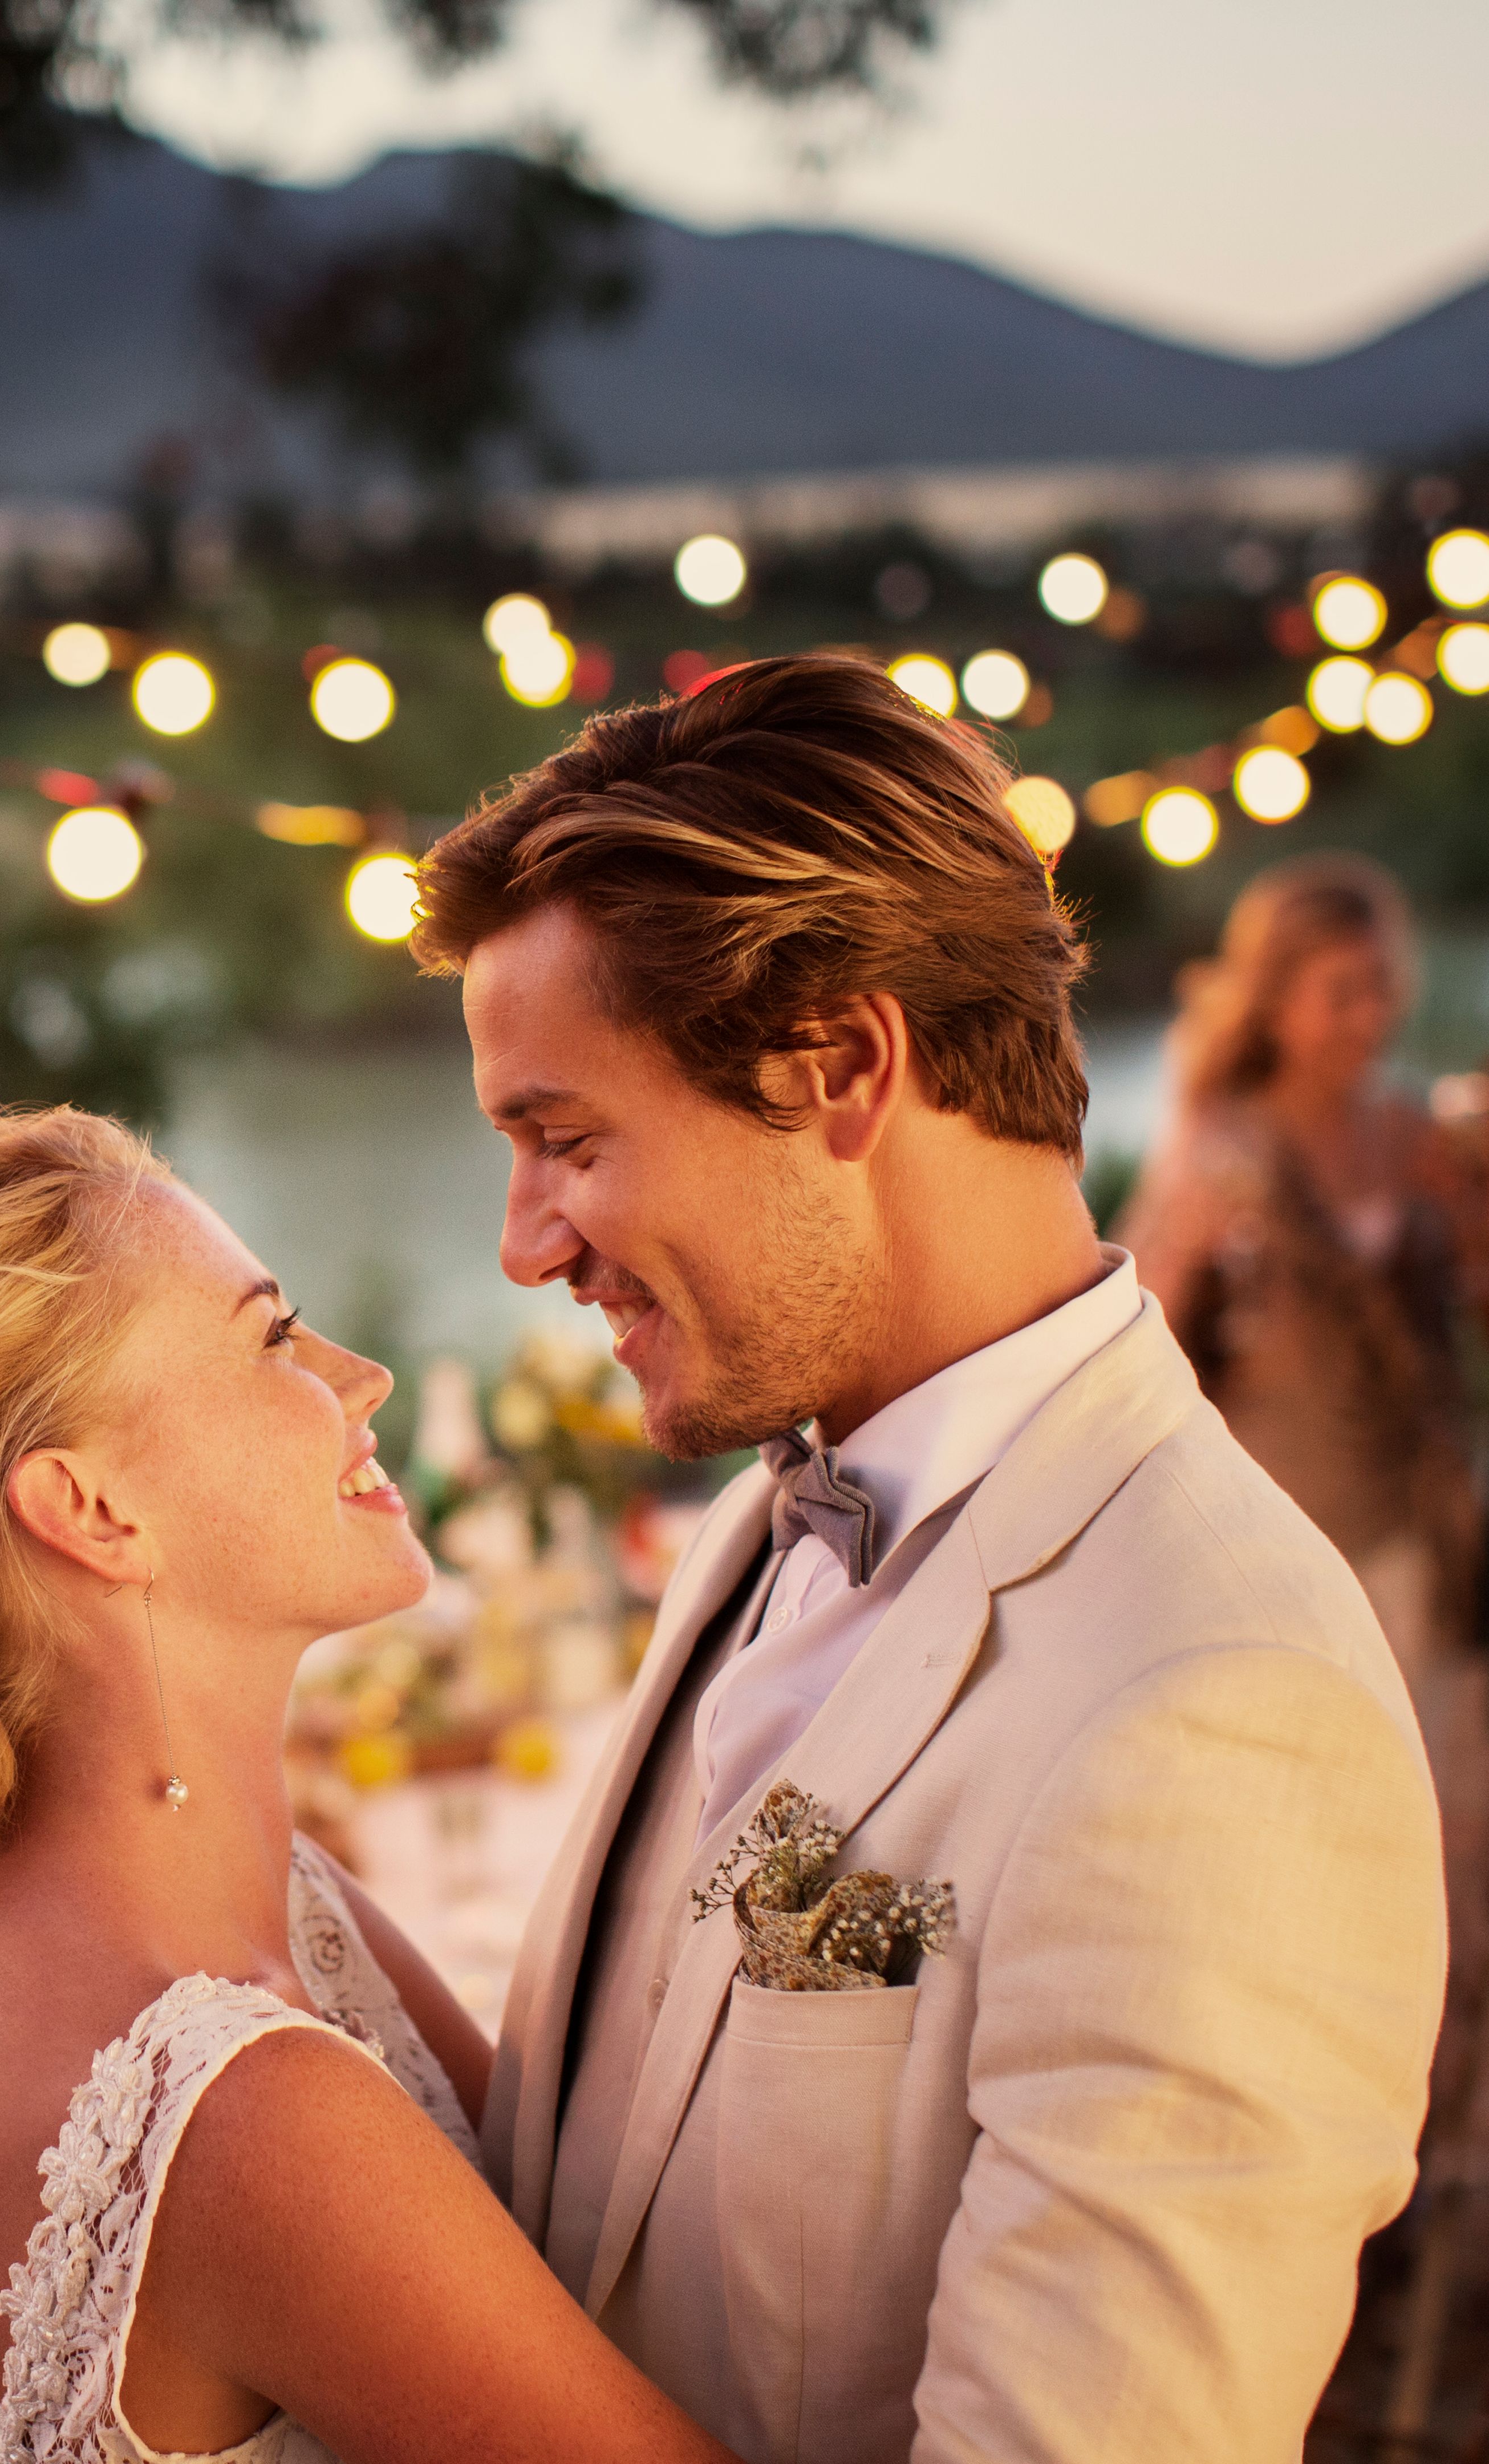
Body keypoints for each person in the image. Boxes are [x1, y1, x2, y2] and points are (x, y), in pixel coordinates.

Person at [402, 654, 1447, 2459]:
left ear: (842, 1065)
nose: (523, 1247)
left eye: (565, 1140)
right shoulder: (765, 1509)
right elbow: (620, 2174)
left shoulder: (1218, 1708)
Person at [0, 1108, 740, 2464]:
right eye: (273, 1338)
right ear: (92, 1509)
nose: (367, 1375)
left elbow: (569, 2253)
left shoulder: (283, 1909)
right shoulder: (247, 2110)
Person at [1121, 855, 1487, 2090]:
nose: (1369, 1017)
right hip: (1291, 1526)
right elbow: (1146, 1351)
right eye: (1340, 992)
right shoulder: (1220, 1150)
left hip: (1418, 1515)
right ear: (1275, 1002)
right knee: (1320, 1817)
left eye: (1382, 987)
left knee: (1435, 1804)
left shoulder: (1417, 1134)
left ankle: (1420, 2079)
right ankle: (1318, 2066)